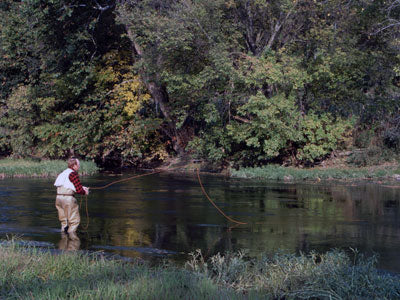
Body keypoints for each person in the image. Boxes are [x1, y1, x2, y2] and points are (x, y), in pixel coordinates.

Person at [54, 157, 89, 233]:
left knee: (64, 222)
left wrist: (83, 188)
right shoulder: (73, 174)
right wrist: (84, 192)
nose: (79, 166)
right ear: (74, 165)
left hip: (58, 199)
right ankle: (72, 242)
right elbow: (79, 190)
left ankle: (63, 241)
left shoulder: (62, 173)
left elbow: (67, 185)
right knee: (74, 222)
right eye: (78, 164)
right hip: (68, 199)